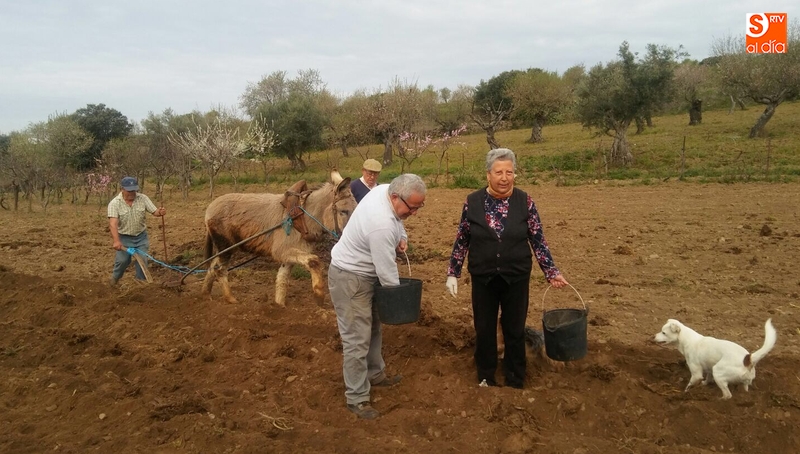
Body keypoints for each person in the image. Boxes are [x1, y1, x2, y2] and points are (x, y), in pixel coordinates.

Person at [445, 148, 568, 389]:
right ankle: (485, 375)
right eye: (499, 172)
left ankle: (515, 377)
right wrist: (453, 272)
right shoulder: (472, 202)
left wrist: (551, 271)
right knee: (484, 328)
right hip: (484, 277)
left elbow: (538, 239)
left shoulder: (525, 201)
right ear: (488, 175)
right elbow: (463, 239)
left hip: (516, 276)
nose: (504, 178)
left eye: (509, 172)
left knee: (514, 328)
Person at [328, 173, 426, 419]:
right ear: (395, 197)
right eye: (412, 208)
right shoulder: (380, 223)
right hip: (350, 279)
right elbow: (388, 275)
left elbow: (398, 222)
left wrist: (402, 236)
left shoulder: (384, 191)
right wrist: (399, 302)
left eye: (418, 207)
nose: (413, 213)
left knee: (373, 328)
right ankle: (357, 397)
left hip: (365, 273)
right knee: (356, 338)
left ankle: (375, 375)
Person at [107, 176, 166, 286]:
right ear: (122, 189)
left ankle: (141, 284)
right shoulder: (114, 203)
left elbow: (155, 212)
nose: (132, 193)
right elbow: (113, 224)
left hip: (140, 237)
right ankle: (114, 280)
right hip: (124, 238)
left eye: (134, 190)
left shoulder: (143, 198)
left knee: (142, 261)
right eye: (129, 190)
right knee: (122, 261)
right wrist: (116, 241)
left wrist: (160, 212)